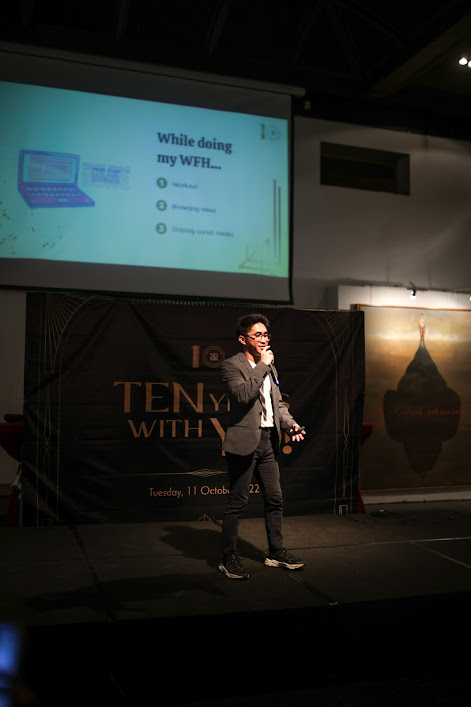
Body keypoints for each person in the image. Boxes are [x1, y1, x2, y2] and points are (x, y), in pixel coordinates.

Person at [218, 313, 306, 580]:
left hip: (269, 440)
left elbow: (277, 404)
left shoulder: (270, 367)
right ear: (242, 339)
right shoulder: (231, 365)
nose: (263, 339)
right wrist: (262, 366)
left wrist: (291, 424)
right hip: (244, 442)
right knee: (238, 501)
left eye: (266, 334)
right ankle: (228, 557)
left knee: (275, 498)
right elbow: (243, 395)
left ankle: (275, 551)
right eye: (257, 335)